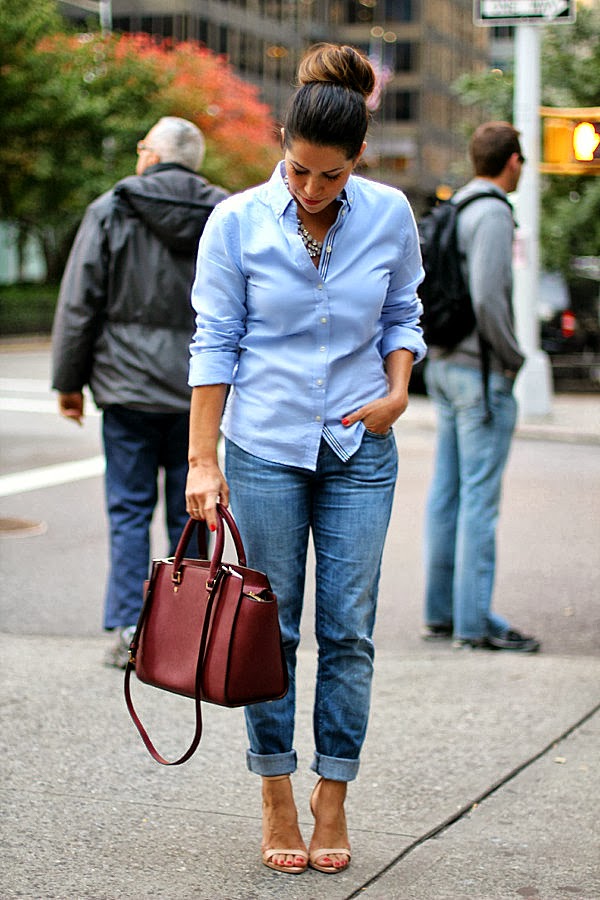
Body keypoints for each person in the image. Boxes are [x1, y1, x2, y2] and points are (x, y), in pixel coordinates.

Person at [185, 43, 425, 876]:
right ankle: (275, 790)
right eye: (297, 171)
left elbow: (402, 312)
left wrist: (398, 390)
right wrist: (202, 460)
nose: (311, 190)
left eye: (330, 175)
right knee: (271, 628)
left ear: (357, 159)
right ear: (282, 145)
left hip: (361, 444)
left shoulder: (390, 214)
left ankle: (334, 794)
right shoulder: (236, 222)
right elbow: (215, 341)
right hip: (265, 446)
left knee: (348, 631)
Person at [51, 116, 228, 668]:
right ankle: (186, 634)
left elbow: (80, 302)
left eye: (141, 146)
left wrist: (69, 382)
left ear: (152, 155)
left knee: (129, 509)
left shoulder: (111, 208)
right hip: (198, 391)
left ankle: (132, 630)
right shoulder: (226, 214)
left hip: (126, 387)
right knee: (192, 511)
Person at [422, 121, 540, 653]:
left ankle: (442, 612)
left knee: (447, 493)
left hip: (446, 364)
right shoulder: (492, 212)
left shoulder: (456, 206)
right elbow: (489, 297)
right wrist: (515, 358)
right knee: (478, 501)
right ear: (512, 161)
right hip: (479, 372)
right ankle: (474, 623)